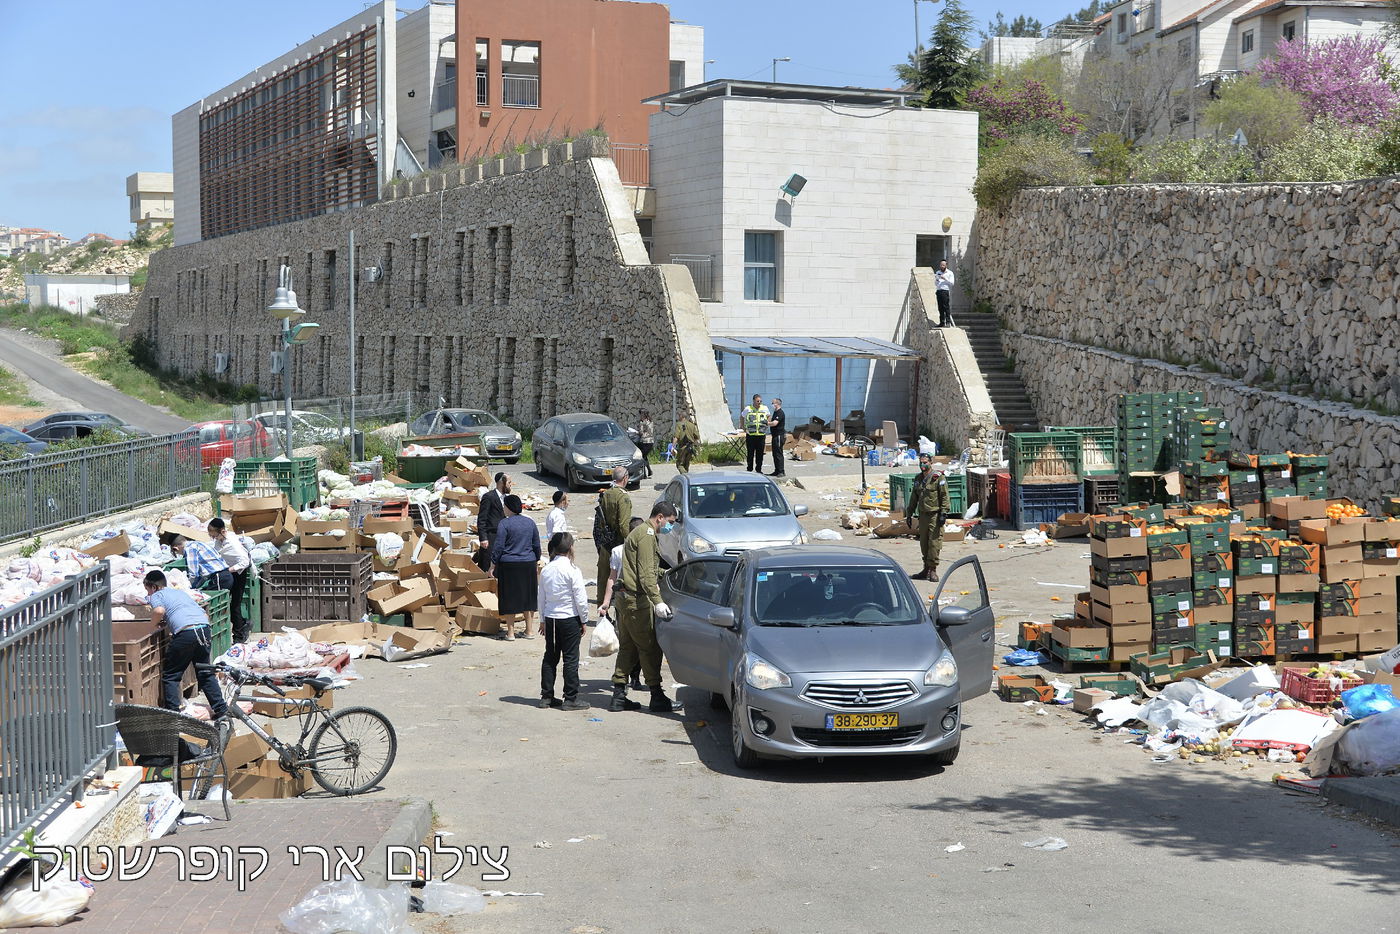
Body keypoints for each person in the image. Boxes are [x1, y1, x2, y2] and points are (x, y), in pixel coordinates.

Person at [610, 502, 679, 713]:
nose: (671, 526)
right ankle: (657, 695)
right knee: (649, 648)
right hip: (636, 601)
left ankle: (618, 695)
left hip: (625, 599)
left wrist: (667, 573)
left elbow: (646, 568)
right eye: (670, 522)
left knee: (628, 647)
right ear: (660, 517)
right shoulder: (647, 535)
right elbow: (646, 575)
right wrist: (658, 601)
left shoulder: (639, 532)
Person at [144, 570, 227, 717]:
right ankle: (221, 709)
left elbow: (159, 610)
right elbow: (204, 614)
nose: (148, 594)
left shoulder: (157, 595)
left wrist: (152, 625)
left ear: (154, 587)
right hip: (204, 630)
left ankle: (173, 714)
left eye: (147, 590)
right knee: (205, 673)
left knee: (171, 675)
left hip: (186, 633)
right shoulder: (180, 593)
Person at [537, 532, 592, 711]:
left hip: (551, 619)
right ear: (570, 549)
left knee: (550, 657)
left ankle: (546, 697)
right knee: (570, 659)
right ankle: (570, 698)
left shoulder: (547, 570)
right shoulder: (573, 570)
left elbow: (541, 597)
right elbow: (580, 599)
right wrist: (584, 620)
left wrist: (542, 619)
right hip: (569, 619)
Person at [598, 517, 646, 691]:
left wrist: (606, 602)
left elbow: (612, 578)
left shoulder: (620, 550)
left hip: (625, 601)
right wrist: (606, 602)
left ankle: (628, 678)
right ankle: (630, 678)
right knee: (636, 642)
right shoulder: (623, 551)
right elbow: (612, 578)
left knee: (629, 642)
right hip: (632, 601)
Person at [491, 494, 541, 640]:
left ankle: (511, 632)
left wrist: (492, 565)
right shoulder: (530, 523)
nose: (503, 509)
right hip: (528, 564)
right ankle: (529, 631)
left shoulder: (504, 524)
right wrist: (536, 559)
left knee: (509, 598)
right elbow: (536, 544)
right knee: (528, 597)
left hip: (509, 565)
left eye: (504, 506)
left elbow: (498, 547)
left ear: (508, 507)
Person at [207, 518, 252, 645]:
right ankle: (243, 623)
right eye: (211, 535)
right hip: (228, 573)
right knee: (227, 603)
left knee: (235, 605)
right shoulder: (219, 541)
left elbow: (245, 562)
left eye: (214, 535)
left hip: (238, 573)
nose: (213, 537)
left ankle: (239, 635)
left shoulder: (232, 544)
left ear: (222, 531)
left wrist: (229, 570)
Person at [909, 454, 953, 581]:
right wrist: (909, 513)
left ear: (930, 463)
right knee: (924, 543)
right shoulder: (918, 479)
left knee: (934, 543)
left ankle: (933, 569)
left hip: (935, 515)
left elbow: (944, 496)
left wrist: (943, 513)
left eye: (925, 463)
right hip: (923, 515)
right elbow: (914, 497)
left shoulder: (938, 478)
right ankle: (925, 568)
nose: (923, 465)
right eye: (921, 462)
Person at [594, 467, 631, 602]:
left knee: (603, 576)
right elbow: (623, 525)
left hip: (605, 541)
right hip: (618, 542)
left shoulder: (607, 494)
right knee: (621, 577)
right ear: (625, 478)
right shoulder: (623, 497)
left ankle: (601, 605)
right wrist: (631, 542)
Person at [475, 472, 511, 572]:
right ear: (502, 483)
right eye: (509, 482)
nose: (510, 485)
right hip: (491, 535)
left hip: (503, 536)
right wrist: (483, 538)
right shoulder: (489, 497)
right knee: (488, 563)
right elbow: (482, 519)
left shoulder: (507, 498)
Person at [741, 394, 770, 473]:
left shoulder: (765, 408)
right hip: (751, 435)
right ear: (753, 401)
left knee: (760, 454)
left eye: (760, 401)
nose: (759, 402)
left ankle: (758, 469)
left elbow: (768, 416)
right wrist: (743, 427)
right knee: (750, 453)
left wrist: (766, 424)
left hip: (761, 435)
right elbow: (742, 416)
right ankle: (749, 469)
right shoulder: (748, 408)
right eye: (758, 401)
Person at [673, 408, 700, 475]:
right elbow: (697, 437)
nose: (678, 417)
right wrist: (693, 443)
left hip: (683, 448)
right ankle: (686, 477)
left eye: (679, 415)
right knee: (686, 464)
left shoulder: (679, 424)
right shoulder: (692, 425)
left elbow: (676, 437)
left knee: (679, 464)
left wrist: (673, 447)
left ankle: (685, 476)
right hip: (690, 447)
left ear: (682, 416)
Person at [768, 397, 786, 477]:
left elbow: (775, 423)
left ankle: (781, 471)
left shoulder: (780, 413)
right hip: (774, 435)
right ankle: (777, 470)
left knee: (778, 453)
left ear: (777, 404)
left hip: (779, 435)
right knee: (775, 454)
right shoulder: (775, 412)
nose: (772, 405)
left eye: (773, 403)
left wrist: (766, 423)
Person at [934, 259, 955, 328]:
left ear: (946, 265)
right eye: (941, 265)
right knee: (940, 307)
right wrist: (937, 280)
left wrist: (945, 278)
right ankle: (942, 322)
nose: (942, 266)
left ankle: (948, 322)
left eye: (943, 265)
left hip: (945, 291)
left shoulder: (950, 273)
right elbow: (936, 284)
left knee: (946, 307)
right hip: (939, 291)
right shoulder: (938, 272)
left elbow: (952, 283)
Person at [636, 410, 656, 479]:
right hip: (650, 441)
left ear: (643, 415)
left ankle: (644, 474)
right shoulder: (650, 421)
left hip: (644, 441)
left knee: (642, 457)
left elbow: (641, 433)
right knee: (644, 456)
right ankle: (649, 471)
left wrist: (637, 432)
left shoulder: (643, 422)